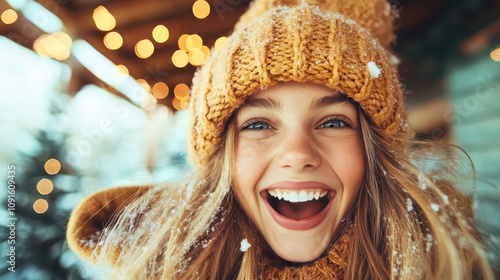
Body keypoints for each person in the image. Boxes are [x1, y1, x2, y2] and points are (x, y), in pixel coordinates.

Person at [66, 0, 495, 279]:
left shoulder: (452, 266)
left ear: (375, 152)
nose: (296, 154)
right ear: (221, 160)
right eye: (257, 125)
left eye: (333, 122)